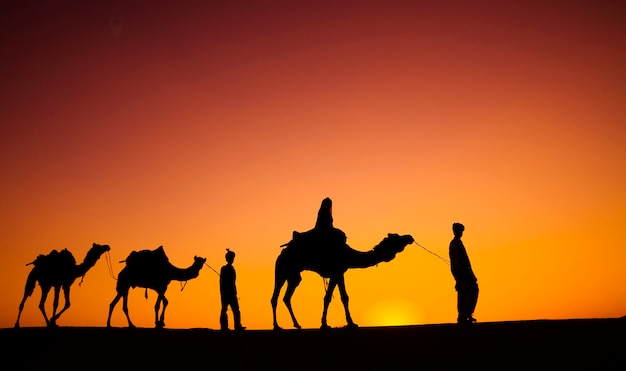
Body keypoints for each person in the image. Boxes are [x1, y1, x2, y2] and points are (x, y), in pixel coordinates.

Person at [449, 222, 479, 324]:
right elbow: (456, 262)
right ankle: (463, 315)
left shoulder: (457, 243)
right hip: (461, 274)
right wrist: (459, 278)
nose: (460, 233)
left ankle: (467, 314)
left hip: (466, 273)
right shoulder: (454, 244)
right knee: (466, 292)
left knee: (470, 291)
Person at [220, 249, 244, 331]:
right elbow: (222, 283)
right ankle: (224, 327)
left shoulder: (230, 269)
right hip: (227, 293)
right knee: (225, 309)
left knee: (236, 309)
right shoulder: (225, 269)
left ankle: (237, 326)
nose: (232, 260)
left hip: (232, 293)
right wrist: (223, 293)